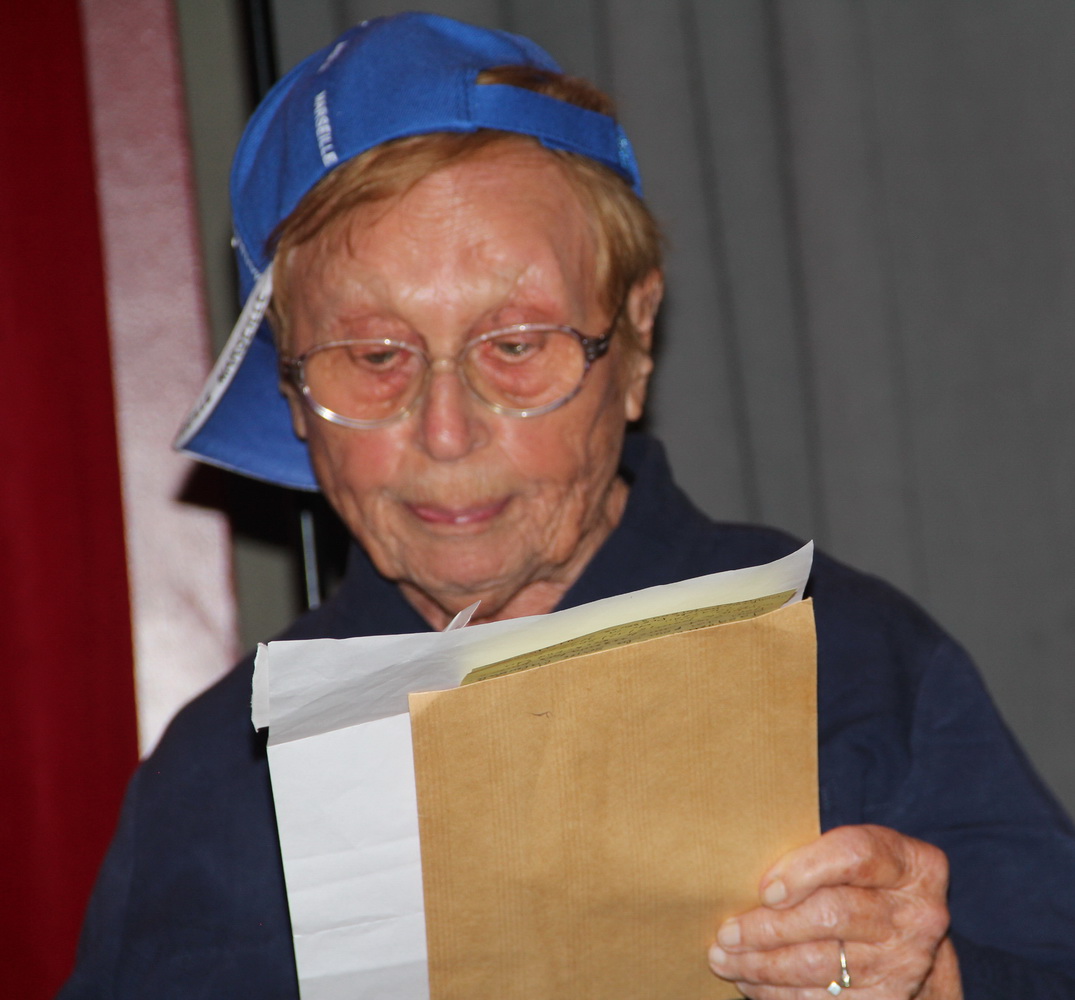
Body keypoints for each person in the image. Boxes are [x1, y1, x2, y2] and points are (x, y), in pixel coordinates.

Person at [61, 12, 1075, 999]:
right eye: (372, 356)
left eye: (515, 344)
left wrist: (938, 983)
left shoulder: (854, 667)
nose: (445, 431)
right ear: (291, 392)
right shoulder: (212, 774)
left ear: (632, 343)